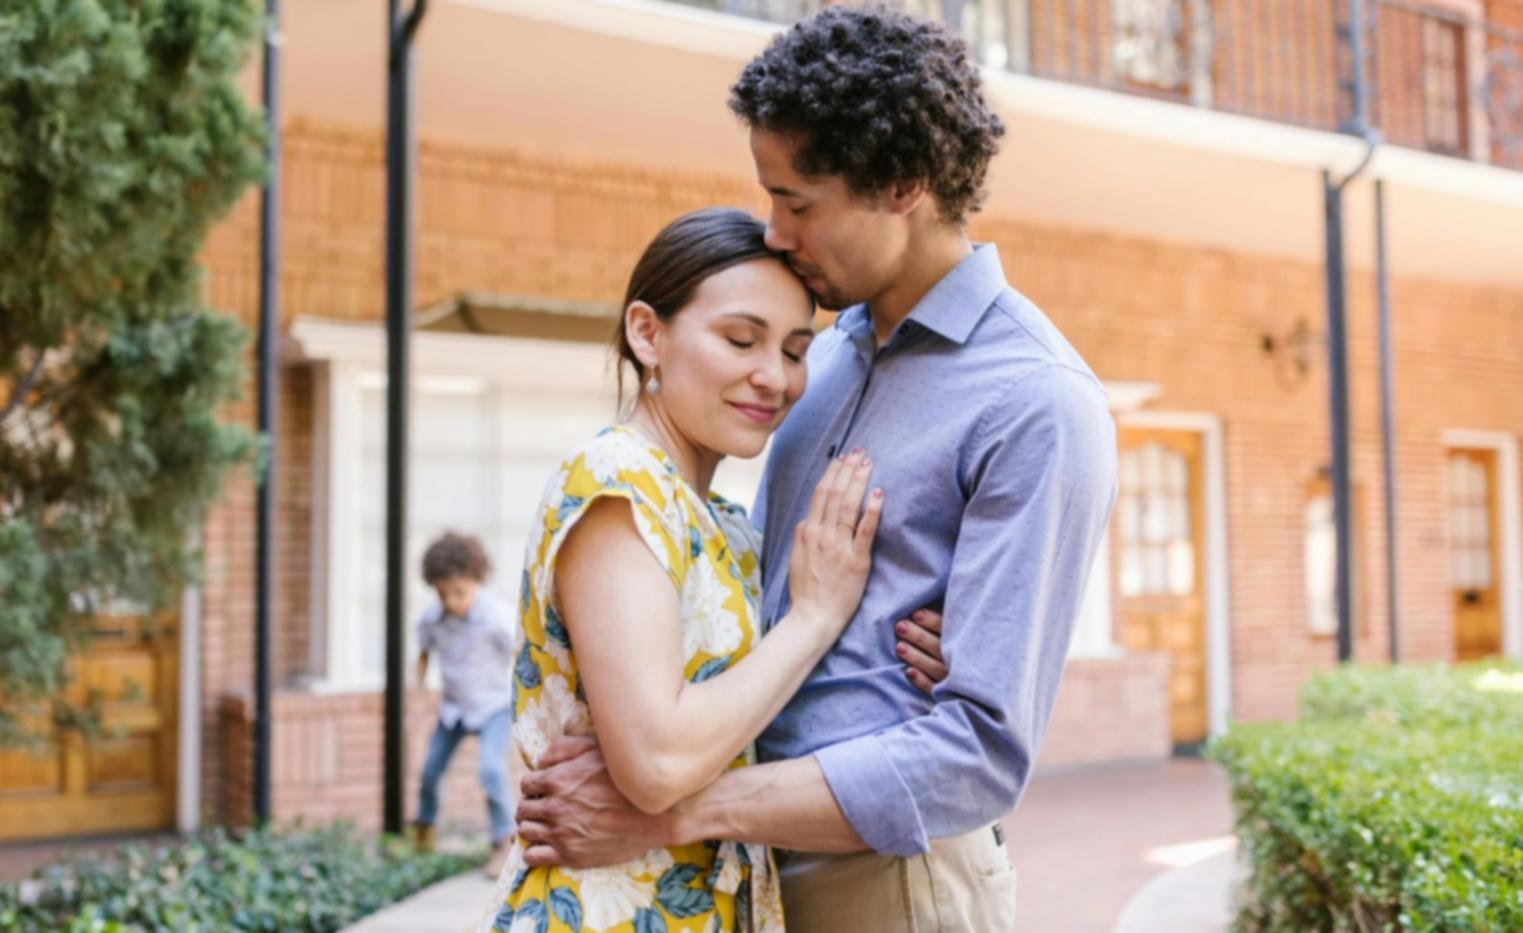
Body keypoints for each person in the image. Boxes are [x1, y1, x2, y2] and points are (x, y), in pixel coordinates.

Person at [512, 7, 1120, 932]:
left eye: (798, 201)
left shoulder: (1035, 402)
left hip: (883, 881)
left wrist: (671, 809)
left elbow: (980, 751)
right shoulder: (818, 359)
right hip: (729, 876)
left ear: (903, 185)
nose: (776, 231)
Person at [481, 207, 945, 933]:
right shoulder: (616, 481)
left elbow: (742, 706)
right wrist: (815, 616)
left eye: (795, 350)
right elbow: (659, 760)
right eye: (739, 338)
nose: (774, 377)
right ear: (647, 332)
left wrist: (933, 647)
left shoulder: (723, 520)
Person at [410, 531, 518, 877]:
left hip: (493, 707)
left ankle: (503, 842)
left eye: (460, 592)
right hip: (454, 708)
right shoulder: (432, 618)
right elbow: (424, 653)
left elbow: (521, 653)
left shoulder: (496, 616)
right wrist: (418, 693)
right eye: (444, 594)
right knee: (429, 771)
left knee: (490, 772)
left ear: (476, 581)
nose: (452, 601)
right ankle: (424, 832)